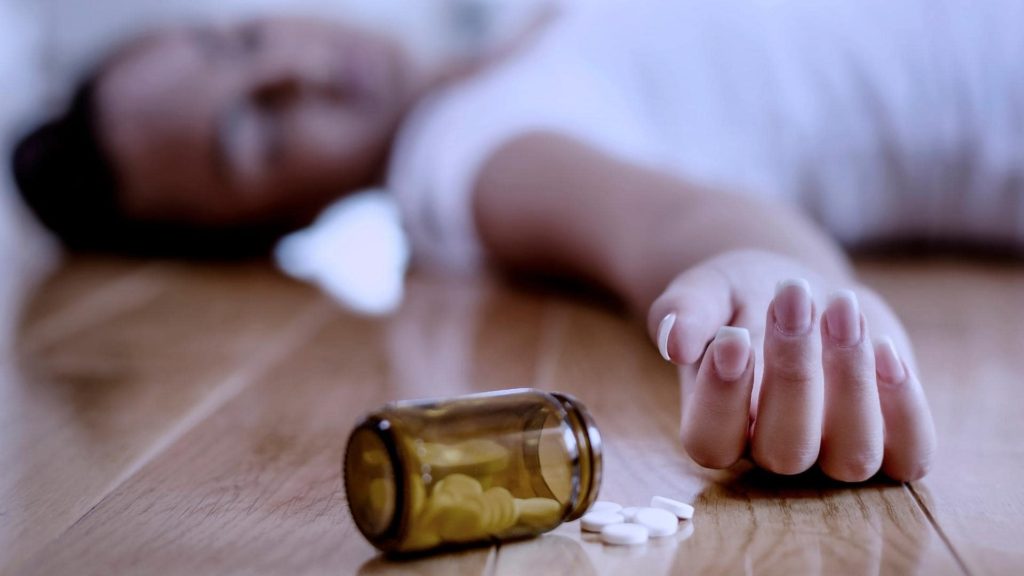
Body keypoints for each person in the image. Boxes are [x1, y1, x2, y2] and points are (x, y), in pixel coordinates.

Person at [21, 0, 1024, 484]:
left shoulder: (498, 46)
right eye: (255, 131)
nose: (297, 69)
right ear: (269, 229)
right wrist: (777, 284)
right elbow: (669, 223)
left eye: (239, 38)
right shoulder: (466, 155)